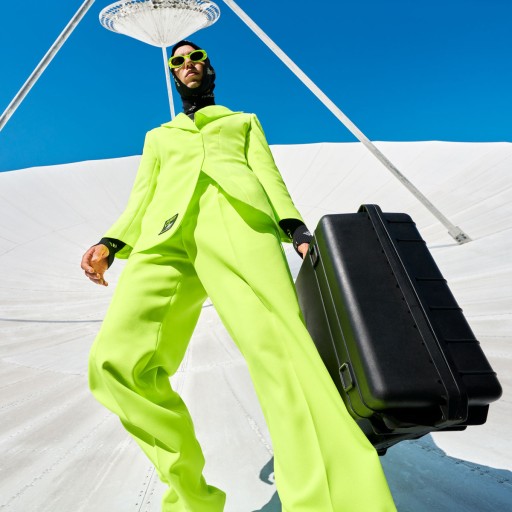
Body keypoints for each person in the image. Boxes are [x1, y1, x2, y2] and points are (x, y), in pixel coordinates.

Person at [82, 40, 397, 512]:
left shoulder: (242, 121)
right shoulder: (159, 136)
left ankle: (335, 502)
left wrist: (293, 227)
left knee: (283, 357)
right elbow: (142, 194)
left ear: (209, 68)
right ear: (172, 74)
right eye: (177, 61)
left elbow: (268, 175)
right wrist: (111, 243)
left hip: (236, 221)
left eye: (195, 57)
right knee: (115, 364)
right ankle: (193, 502)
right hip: (162, 237)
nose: (187, 64)